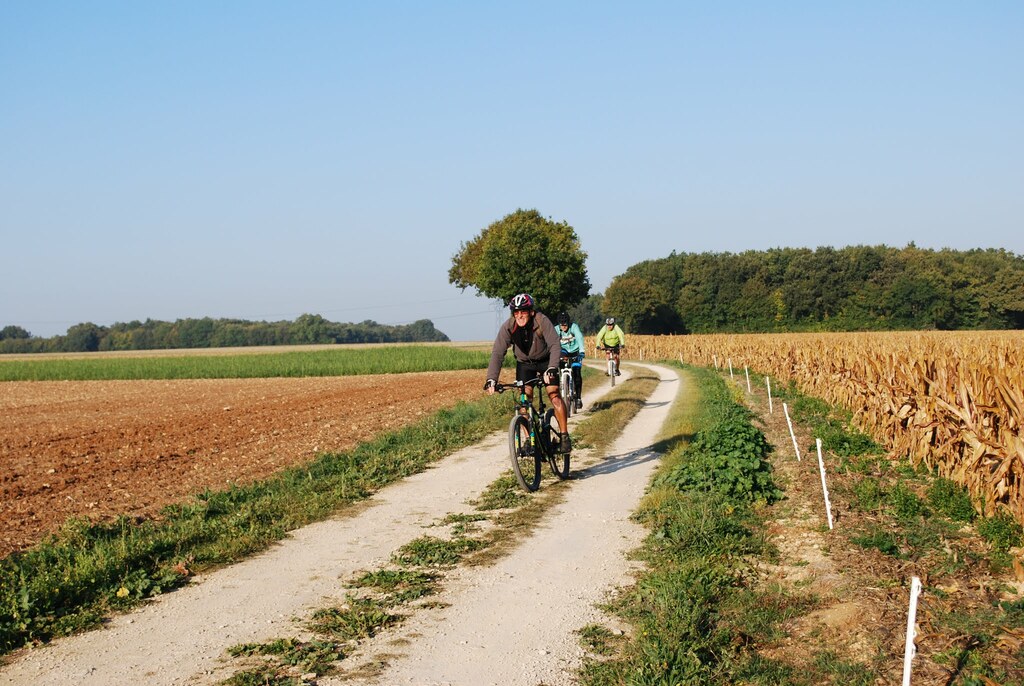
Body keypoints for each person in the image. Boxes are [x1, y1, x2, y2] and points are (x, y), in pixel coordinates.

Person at [484, 293, 571, 453]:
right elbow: (497, 352)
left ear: (530, 311)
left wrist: (552, 367)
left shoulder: (541, 321)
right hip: (525, 364)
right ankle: (529, 439)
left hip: (545, 362)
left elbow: (554, 345)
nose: (519, 315)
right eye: (516, 312)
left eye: (523, 311)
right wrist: (491, 379)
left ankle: (565, 437)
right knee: (524, 401)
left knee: (554, 395)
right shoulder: (509, 326)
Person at [556, 312, 585, 411]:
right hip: (563, 351)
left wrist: (582, 351)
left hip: (575, 351)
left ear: (568, 323)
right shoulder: (556, 330)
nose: (563, 327)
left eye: (565, 324)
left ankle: (578, 398)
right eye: (561, 325)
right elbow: (552, 342)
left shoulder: (574, 327)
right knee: (560, 365)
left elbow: (579, 338)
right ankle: (564, 384)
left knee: (577, 373)